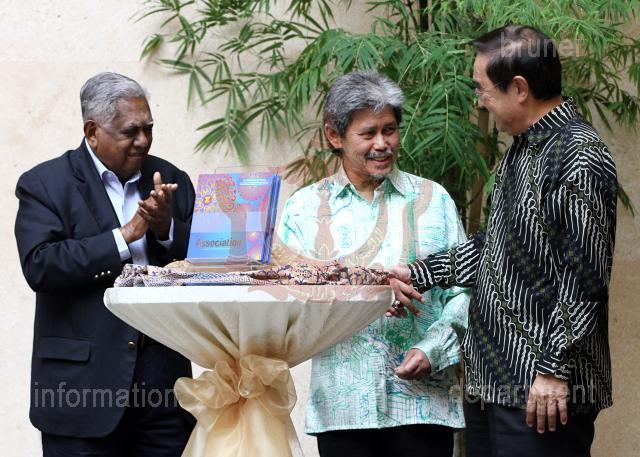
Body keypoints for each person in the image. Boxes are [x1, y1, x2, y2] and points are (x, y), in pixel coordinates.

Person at [391, 25, 617, 457]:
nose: (479, 101)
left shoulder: (578, 155)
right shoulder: (522, 149)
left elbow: (584, 279)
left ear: (519, 88)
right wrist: (420, 273)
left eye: (482, 89)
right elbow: (497, 246)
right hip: (495, 385)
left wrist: (553, 369)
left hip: (542, 393)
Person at [277, 70, 470, 457]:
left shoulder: (434, 200)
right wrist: (368, 287)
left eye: (390, 130)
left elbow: (466, 290)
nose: (382, 144)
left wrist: (435, 349)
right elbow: (287, 291)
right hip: (343, 408)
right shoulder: (304, 209)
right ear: (335, 136)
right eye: (368, 133)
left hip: (424, 404)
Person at [15, 72, 196, 456]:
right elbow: (40, 265)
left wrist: (165, 229)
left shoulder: (170, 179)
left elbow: (203, 264)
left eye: (148, 129)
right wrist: (124, 236)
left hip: (163, 380)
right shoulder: (45, 184)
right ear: (92, 131)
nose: (143, 140)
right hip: (81, 387)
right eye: (130, 132)